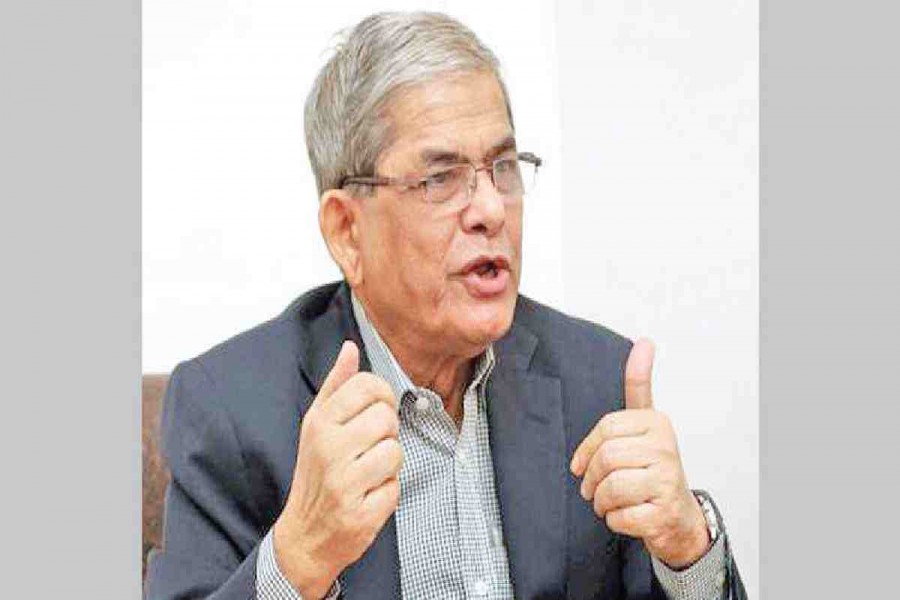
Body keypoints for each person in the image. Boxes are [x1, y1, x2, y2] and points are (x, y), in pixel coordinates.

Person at [145, 11, 746, 600]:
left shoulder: (596, 382)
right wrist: (298, 559)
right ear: (347, 232)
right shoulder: (233, 412)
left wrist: (687, 549)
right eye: (441, 179)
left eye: (503, 168)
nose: (490, 209)